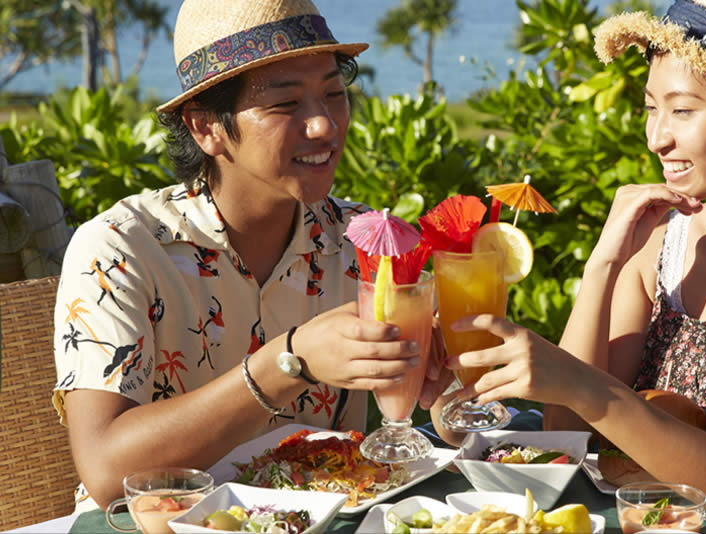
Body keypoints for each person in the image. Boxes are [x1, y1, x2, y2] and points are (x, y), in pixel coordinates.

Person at [430, 0, 706, 527]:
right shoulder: (665, 237)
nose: (656, 137)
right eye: (649, 108)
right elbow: (563, 433)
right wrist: (603, 264)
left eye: (682, 110)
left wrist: (582, 383)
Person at [53, 0, 427, 511]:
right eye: (285, 105)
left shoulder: (362, 240)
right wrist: (290, 362)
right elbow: (105, 470)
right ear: (205, 126)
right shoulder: (121, 248)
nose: (324, 126)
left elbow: (437, 409)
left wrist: (446, 384)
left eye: (334, 94)